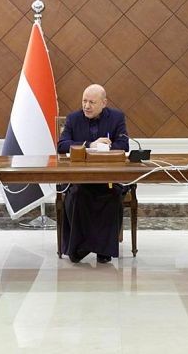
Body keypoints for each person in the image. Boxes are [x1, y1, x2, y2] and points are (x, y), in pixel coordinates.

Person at [57, 84, 129, 264]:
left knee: (112, 196)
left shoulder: (116, 118)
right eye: (84, 101)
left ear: (104, 103)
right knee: (78, 196)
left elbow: (124, 145)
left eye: (92, 102)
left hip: (108, 179)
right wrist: (90, 145)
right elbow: (62, 145)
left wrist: (104, 148)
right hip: (79, 180)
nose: (86, 106)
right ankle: (78, 249)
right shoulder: (73, 119)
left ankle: (103, 250)